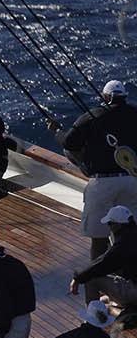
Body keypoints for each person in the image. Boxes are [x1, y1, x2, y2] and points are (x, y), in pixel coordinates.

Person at [56, 80, 137, 261]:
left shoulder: (92, 116)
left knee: (99, 239)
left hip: (103, 183)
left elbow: (69, 143)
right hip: (132, 181)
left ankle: (98, 280)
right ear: (124, 97)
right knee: (130, 236)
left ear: (106, 97)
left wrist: (57, 132)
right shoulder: (134, 114)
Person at [69, 205, 137, 300]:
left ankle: (93, 311)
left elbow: (104, 263)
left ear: (118, 225)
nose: (109, 227)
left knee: (91, 279)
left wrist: (77, 278)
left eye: (110, 223)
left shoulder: (124, 243)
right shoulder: (132, 234)